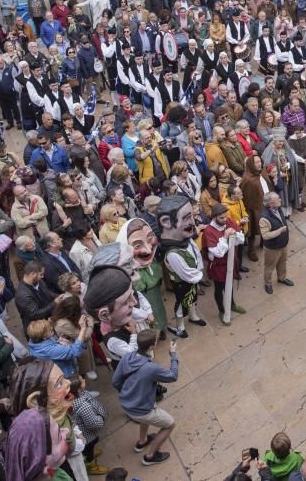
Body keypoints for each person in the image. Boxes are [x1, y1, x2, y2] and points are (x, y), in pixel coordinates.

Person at [110, 329, 178, 466]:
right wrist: (173, 355)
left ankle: (142, 442)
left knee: (144, 418)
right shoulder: (151, 368)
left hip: (127, 405)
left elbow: (115, 382)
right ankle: (150, 456)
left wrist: (129, 392)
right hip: (141, 409)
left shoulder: (126, 358)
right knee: (170, 424)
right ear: (151, 347)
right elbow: (173, 376)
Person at [157, 197, 207, 339]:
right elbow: (185, 273)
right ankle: (180, 326)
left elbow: (196, 253)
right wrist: (198, 275)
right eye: (186, 218)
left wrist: (199, 269)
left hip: (192, 279)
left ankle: (193, 316)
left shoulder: (186, 239)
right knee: (181, 304)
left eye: (191, 216)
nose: (192, 221)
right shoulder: (173, 253)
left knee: (192, 299)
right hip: (182, 283)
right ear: (166, 222)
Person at [202, 202, 246, 325]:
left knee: (230, 284)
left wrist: (235, 234)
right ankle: (222, 310)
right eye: (221, 218)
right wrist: (226, 237)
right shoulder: (209, 231)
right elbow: (218, 253)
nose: (225, 219)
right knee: (219, 288)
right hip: (218, 266)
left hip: (230, 262)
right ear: (214, 217)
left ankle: (231, 304)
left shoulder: (229, 221)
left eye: (225, 216)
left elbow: (241, 239)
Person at [259, 192, 294, 295]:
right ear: (270, 204)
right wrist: (279, 231)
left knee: (282, 262)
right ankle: (268, 283)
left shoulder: (277, 208)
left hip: (282, 245)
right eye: (277, 199)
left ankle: (282, 278)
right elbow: (265, 236)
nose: (280, 200)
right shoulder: (264, 218)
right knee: (269, 266)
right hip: (272, 248)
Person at [14, 260, 57, 333]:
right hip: (38, 329)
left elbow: (47, 292)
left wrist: (57, 296)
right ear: (33, 274)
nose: (42, 277)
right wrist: (54, 303)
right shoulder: (22, 295)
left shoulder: (38, 281)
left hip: (47, 320)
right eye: (41, 274)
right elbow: (35, 314)